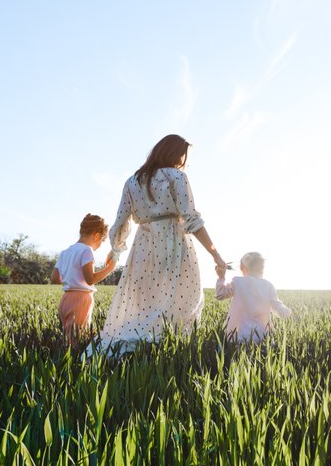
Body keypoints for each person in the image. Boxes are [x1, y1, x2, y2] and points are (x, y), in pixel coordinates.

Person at [98, 134, 225, 354]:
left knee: (146, 301)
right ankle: (170, 351)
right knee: (182, 299)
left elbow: (120, 221)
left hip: (143, 245)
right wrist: (216, 255)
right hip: (173, 241)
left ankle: (139, 351)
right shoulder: (177, 176)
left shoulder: (132, 181)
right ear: (176, 154)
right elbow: (191, 219)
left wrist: (116, 249)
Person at [50, 214, 118, 346]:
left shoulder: (65, 252)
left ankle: (68, 358)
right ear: (96, 235)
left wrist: (70, 276)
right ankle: (74, 363)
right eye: (101, 241)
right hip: (81, 299)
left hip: (66, 299)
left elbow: (54, 279)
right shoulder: (87, 250)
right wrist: (110, 268)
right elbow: (90, 279)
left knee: (69, 335)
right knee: (77, 339)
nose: (99, 246)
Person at [215, 252, 291, 342]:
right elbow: (276, 306)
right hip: (262, 335)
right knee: (260, 354)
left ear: (242, 267)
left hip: (238, 335)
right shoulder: (268, 285)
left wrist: (221, 277)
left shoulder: (237, 282)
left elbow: (220, 295)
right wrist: (285, 311)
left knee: (238, 355)